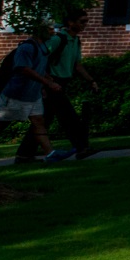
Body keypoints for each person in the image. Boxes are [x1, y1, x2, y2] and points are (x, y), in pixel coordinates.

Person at [0, 34, 55, 169]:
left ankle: (50, 153)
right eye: (49, 26)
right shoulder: (27, 47)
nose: (53, 29)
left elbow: (37, 68)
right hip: (16, 94)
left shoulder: (42, 48)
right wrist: (47, 83)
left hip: (32, 94)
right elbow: (23, 68)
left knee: (38, 122)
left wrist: (43, 85)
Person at [38, 13, 93, 161]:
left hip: (62, 82)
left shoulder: (75, 41)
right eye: (82, 21)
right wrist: (47, 81)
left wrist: (91, 80)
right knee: (69, 117)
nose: (84, 25)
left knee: (44, 120)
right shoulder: (58, 39)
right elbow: (40, 59)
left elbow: (77, 65)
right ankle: (81, 148)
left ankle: (23, 153)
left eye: (86, 22)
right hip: (53, 83)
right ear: (70, 22)